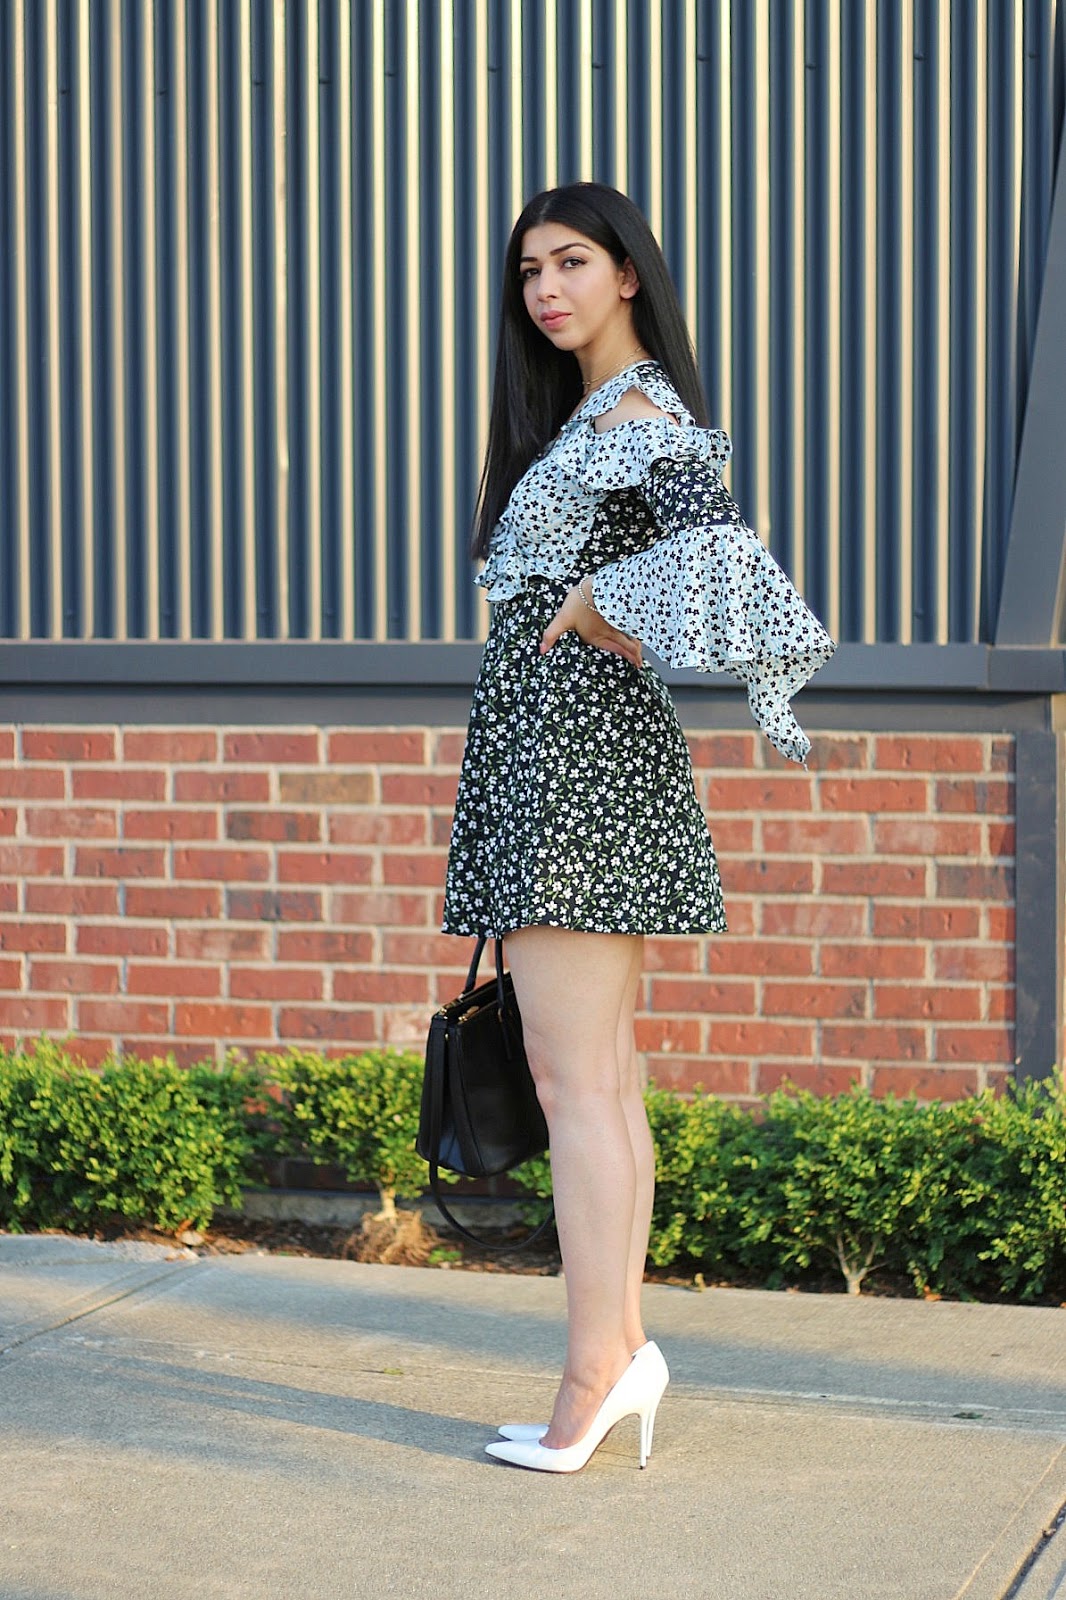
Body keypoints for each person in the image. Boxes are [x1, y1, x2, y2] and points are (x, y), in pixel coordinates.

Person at [441, 181, 835, 1474]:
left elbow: (731, 565)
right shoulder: (592, 415)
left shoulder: (638, 417)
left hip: (577, 774)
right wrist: (602, 600)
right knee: (597, 1082)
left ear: (626, 274)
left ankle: (592, 1375)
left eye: (570, 262)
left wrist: (604, 604)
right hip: (567, 765)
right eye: (528, 271)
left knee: (577, 1087)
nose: (545, 289)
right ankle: (613, 1355)